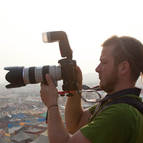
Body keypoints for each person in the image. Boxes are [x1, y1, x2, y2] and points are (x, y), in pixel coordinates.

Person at [40, 35, 143, 143]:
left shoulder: (120, 113)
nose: (97, 69)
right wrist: (75, 88)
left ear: (123, 68)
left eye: (104, 62)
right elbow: (75, 124)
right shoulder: (115, 104)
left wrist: (52, 104)